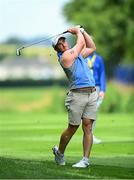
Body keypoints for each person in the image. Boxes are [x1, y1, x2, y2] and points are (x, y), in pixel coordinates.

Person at [51, 26, 97, 168]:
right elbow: (81, 44)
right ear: (57, 49)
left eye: (64, 41)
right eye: (60, 44)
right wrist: (77, 31)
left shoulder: (77, 55)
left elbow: (92, 47)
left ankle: (85, 160)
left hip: (91, 93)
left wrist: (82, 32)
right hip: (77, 95)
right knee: (73, 127)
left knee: (88, 127)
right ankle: (60, 153)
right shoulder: (65, 57)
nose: (63, 44)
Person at [86, 52, 106, 144]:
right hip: (85, 87)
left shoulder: (98, 58)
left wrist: (103, 89)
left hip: (96, 87)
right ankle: (87, 135)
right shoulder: (82, 57)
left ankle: (91, 135)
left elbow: (102, 74)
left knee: (93, 112)